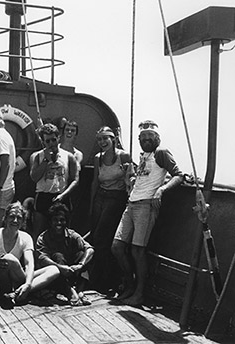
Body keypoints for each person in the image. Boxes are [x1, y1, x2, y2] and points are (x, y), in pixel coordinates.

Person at [111, 120, 183, 306]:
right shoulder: (144, 156)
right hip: (132, 204)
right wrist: (133, 178)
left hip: (145, 206)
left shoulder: (161, 153)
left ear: (157, 138)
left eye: (150, 136)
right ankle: (130, 284)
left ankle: (139, 294)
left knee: (137, 250)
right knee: (117, 247)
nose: (147, 139)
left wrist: (161, 190)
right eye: (143, 137)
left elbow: (178, 175)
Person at [0, 202, 59, 306]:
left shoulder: (25, 237)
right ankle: (25, 292)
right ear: (5, 218)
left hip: (17, 279)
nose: (15, 221)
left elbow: (29, 264)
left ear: (23, 221)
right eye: (11, 217)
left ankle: (18, 293)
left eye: (19, 218)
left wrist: (28, 284)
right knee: (9, 258)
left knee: (54, 270)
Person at [88, 126, 132, 295]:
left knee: (102, 238)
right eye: (99, 139)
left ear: (113, 139)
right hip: (101, 196)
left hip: (116, 198)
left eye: (106, 138)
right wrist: (92, 205)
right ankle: (100, 278)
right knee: (96, 237)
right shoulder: (98, 158)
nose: (102, 142)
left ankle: (106, 280)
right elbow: (95, 182)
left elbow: (131, 177)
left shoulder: (124, 156)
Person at [36, 202, 94, 306]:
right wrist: (61, 268)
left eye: (62, 220)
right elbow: (42, 258)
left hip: (72, 271)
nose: (59, 223)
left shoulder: (72, 235)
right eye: (55, 220)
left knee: (83, 254)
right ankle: (69, 290)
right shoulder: (43, 238)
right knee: (58, 256)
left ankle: (79, 290)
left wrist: (80, 264)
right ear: (50, 221)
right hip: (57, 274)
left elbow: (90, 249)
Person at [29, 123, 78, 241]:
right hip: (43, 197)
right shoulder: (37, 157)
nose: (51, 144)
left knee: (62, 233)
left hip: (61, 197)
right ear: (43, 142)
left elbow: (75, 179)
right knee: (39, 232)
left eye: (53, 140)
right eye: (47, 141)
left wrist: (63, 195)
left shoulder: (69, 157)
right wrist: (46, 160)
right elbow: (34, 178)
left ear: (58, 138)